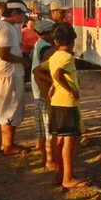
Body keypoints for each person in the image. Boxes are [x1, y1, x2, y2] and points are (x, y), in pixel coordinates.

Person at [46, 22, 88, 189]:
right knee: (69, 141)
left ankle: (60, 174)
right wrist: (71, 90)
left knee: (60, 139)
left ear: (55, 41)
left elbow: (43, 72)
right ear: (73, 41)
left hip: (56, 102)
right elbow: (58, 74)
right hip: (67, 103)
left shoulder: (54, 56)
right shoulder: (68, 57)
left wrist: (52, 87)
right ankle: (68, 178)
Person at [0, 0, 31, 155]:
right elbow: (4, 54)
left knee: (8, 109)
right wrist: (22, 60)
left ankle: (6, 144)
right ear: (14, 13)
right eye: (22, 14)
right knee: (10, 109)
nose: (23, 18)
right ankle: (8, 146)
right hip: (7, 75)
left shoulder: (10, 27)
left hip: (9, 74)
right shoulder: (5, 28)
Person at [30, 19, 56, 169]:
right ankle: (50, 160)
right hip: (45, 91)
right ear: (48, 33)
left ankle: (43, 157)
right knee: (49, 130)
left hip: (37, 91)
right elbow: (44, 71)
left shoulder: (38, 44)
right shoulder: (47, 48)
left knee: (41, 129)